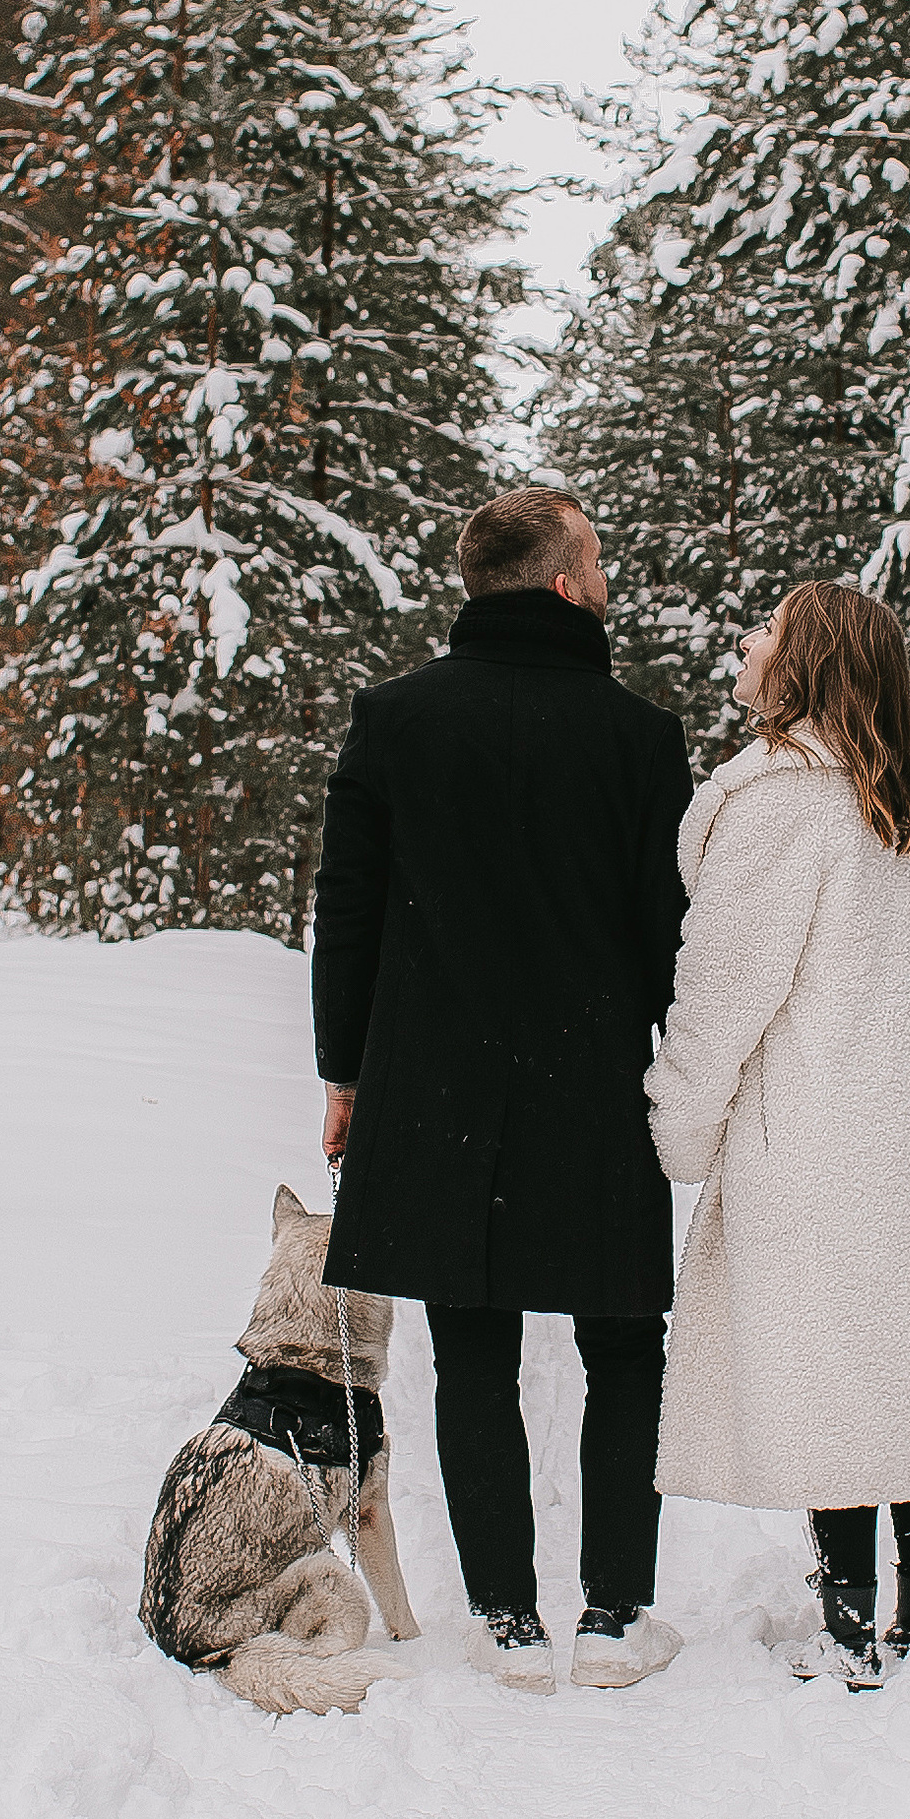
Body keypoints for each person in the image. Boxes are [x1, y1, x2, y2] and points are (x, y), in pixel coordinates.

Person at [311, 483, 694, 1692]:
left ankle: (508, 1622)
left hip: (435, 1082)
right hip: (593, 1082)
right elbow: (671, 933)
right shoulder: (638, 737)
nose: (606, 573)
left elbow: (350, 917)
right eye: (598, 553)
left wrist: (344, 1074)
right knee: (623, 1343)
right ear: (564, 584)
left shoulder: (395, 719)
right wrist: (684, 1072)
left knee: (469, 1342)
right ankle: (615, 1620)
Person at [645, 580, 910, 1686]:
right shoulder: (892, 800)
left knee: (830, 1371)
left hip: (814, 1135)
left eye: (765, 628)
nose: (745, 637)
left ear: (803, 667)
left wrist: (678, 1126)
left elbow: (720, 996)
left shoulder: (778, 804)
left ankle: (851, 1630)